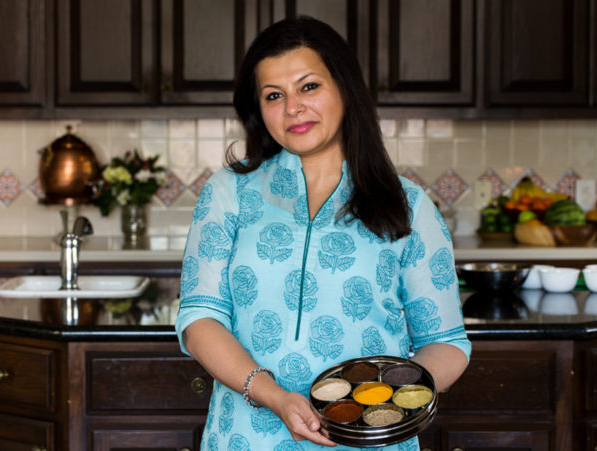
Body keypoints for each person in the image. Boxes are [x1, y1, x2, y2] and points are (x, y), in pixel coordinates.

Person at [175, 16, 470, 450]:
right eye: (274, 95)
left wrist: (378, 408)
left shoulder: (409, 206)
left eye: (308, 86)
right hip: (245, 437)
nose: (292, 107)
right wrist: (274, 397)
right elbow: (199, 317)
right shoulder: (228, 193)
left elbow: (446, 343)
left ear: (345, 89)